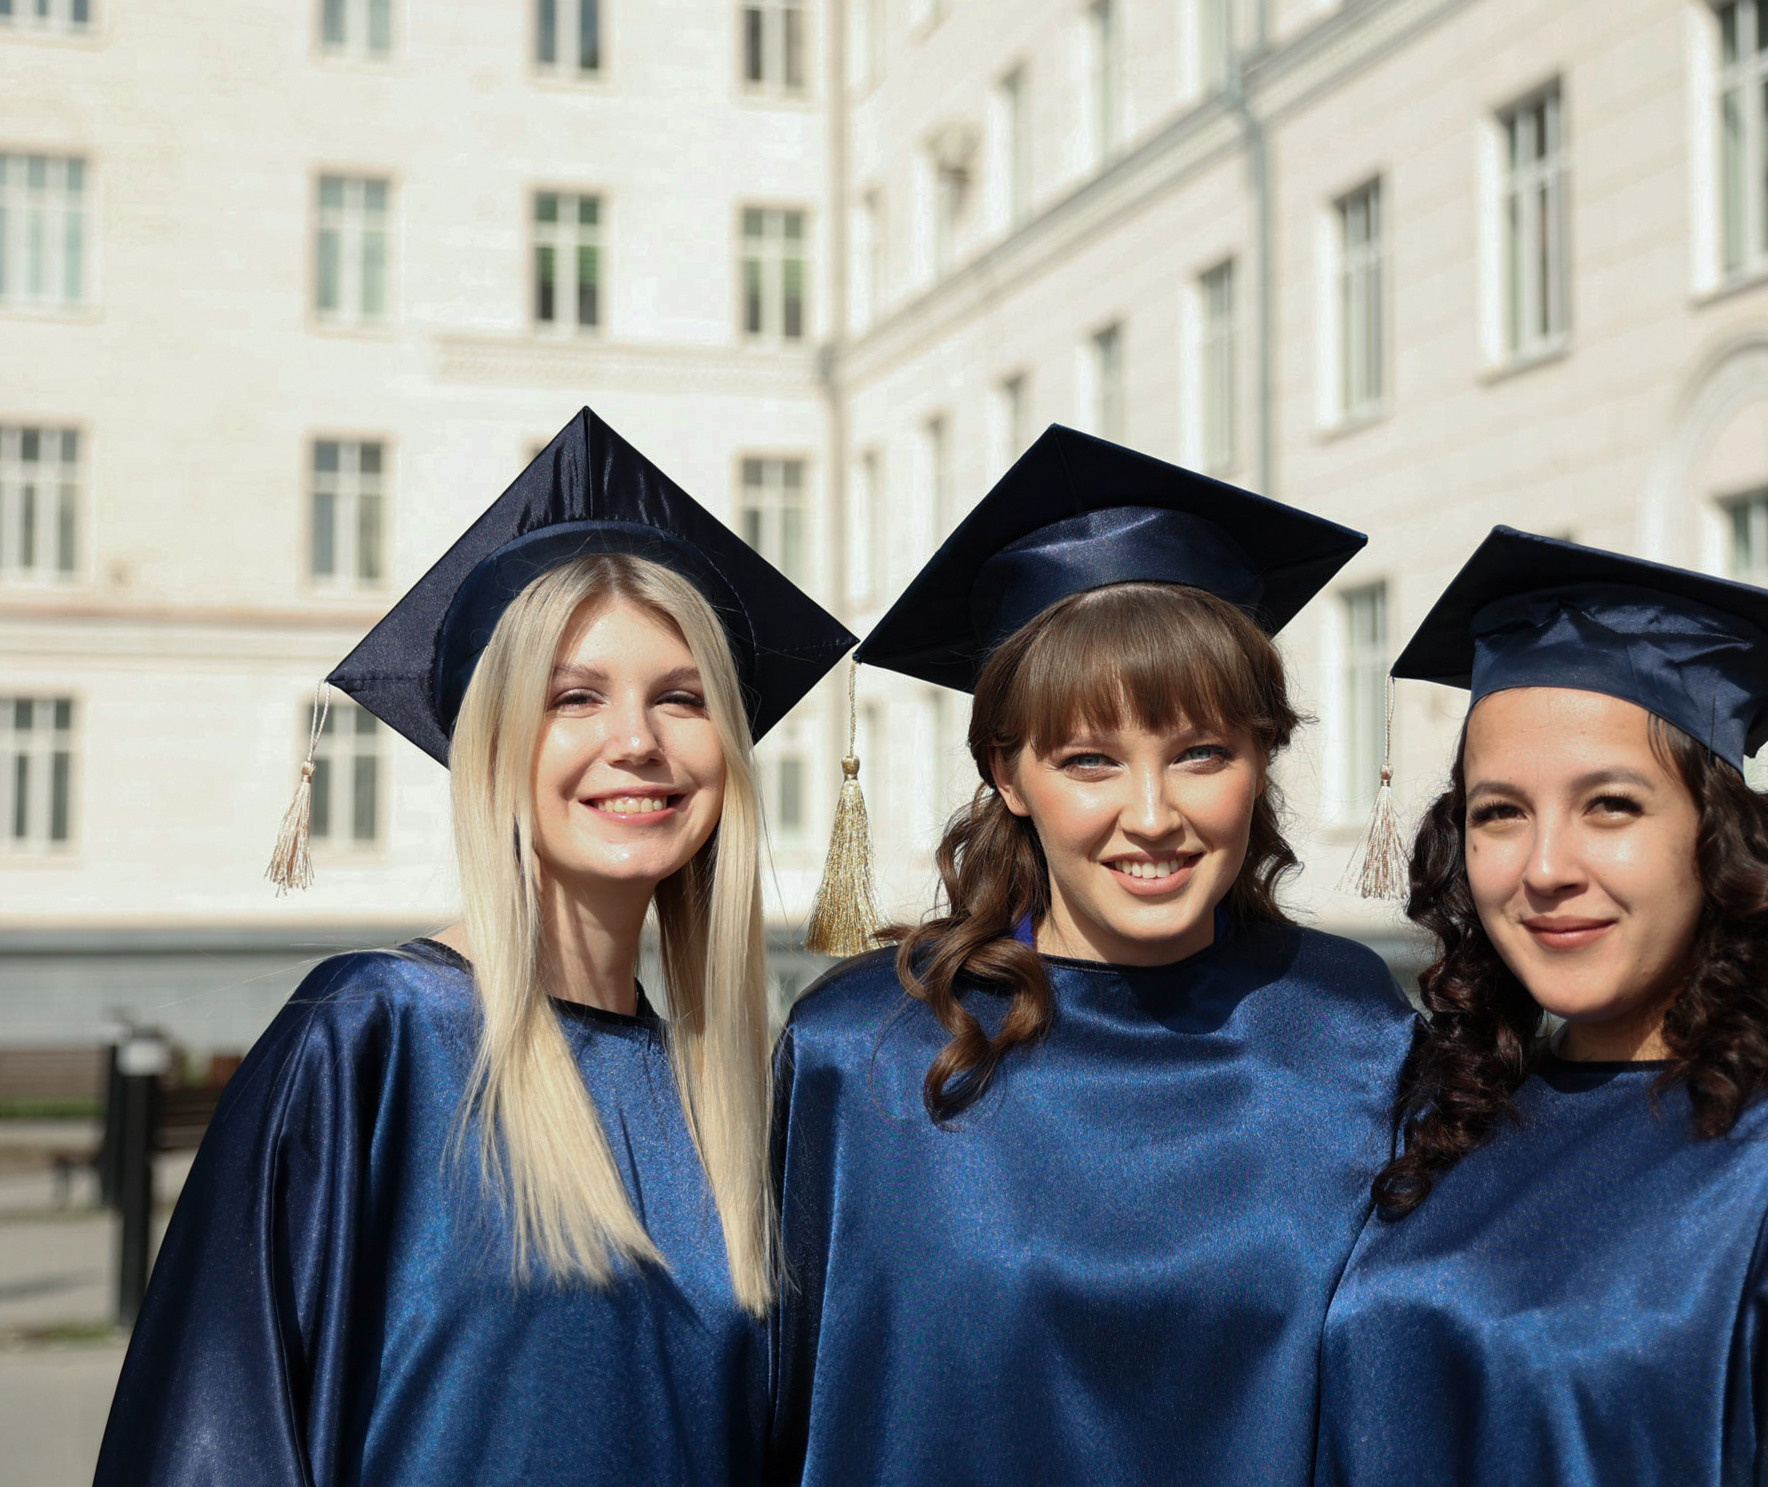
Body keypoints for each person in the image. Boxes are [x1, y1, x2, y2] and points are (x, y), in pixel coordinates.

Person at [94, 409, 854, 1486]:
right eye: (573, 697)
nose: (636, 740)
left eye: (681, 698)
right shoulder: (372, 1041)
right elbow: (216, 1433)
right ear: (493, 742)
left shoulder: (727, 1100)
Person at [767, 427, 1415, 1486]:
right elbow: (795, 1406)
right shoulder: (865, 1049)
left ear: (1261, 756)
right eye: (1089, 760)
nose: (1151, 814)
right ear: (1007, 773)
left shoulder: (1359, 1032)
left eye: (1201, 751)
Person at [1313, 526, 1768, 1486]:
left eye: (1611, 804)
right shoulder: (1450, 1120)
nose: (1546, 868)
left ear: (1716, 840)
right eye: (1499, 812)